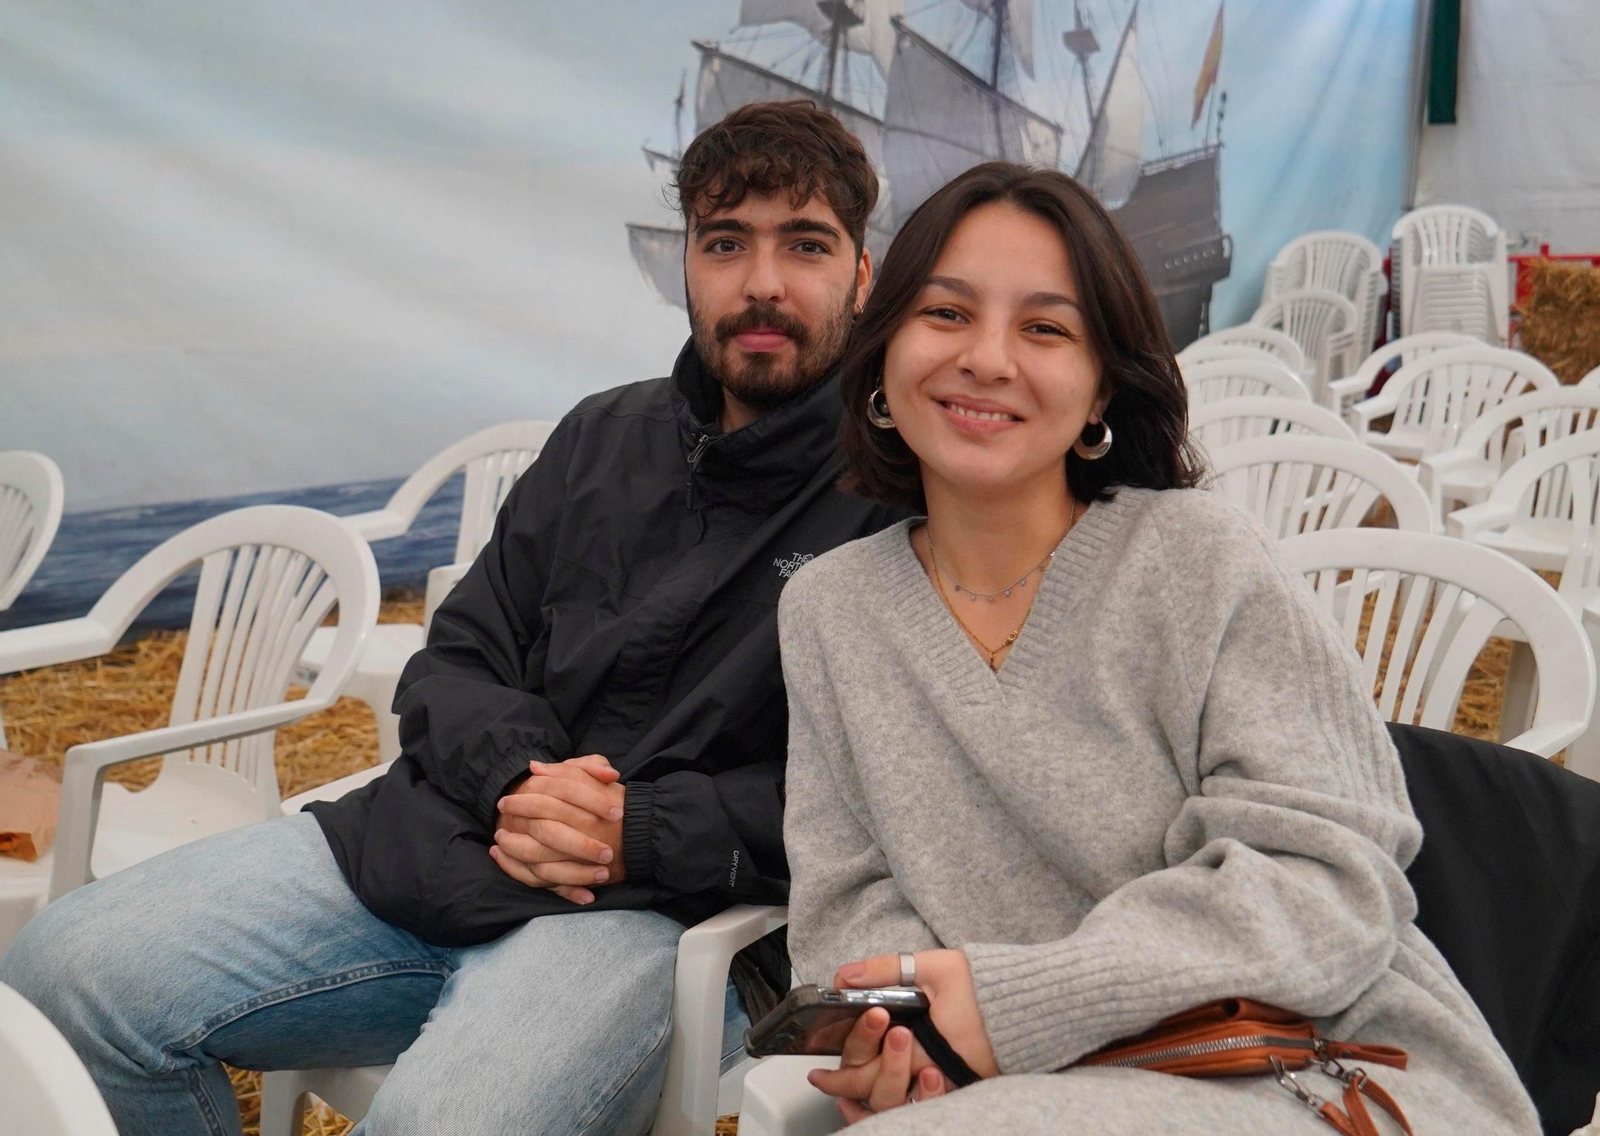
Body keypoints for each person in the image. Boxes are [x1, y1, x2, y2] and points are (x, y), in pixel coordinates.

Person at [0, 100, 906, 1136]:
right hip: (447, 837)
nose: (762, 282)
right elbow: (460, 654)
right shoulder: (603, 436)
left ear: (862, 275)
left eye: (805, 245)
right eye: (725, 242)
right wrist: (518, 780)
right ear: (688, 264)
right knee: (61, 978)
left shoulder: (897, 494)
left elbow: (883, 789)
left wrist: (640, 830)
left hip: (662, 917)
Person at [774, 162, 1539, 1133]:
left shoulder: (1197, 557)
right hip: (999, 1086)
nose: (987, 358)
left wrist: (1016, 1004)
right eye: (947, 313)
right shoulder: (828, 608)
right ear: (883, 351)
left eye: (1045, 328)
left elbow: (1331, 877)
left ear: (1102, 386)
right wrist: (903, 1034)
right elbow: (846, 900)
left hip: (1310, 1061)